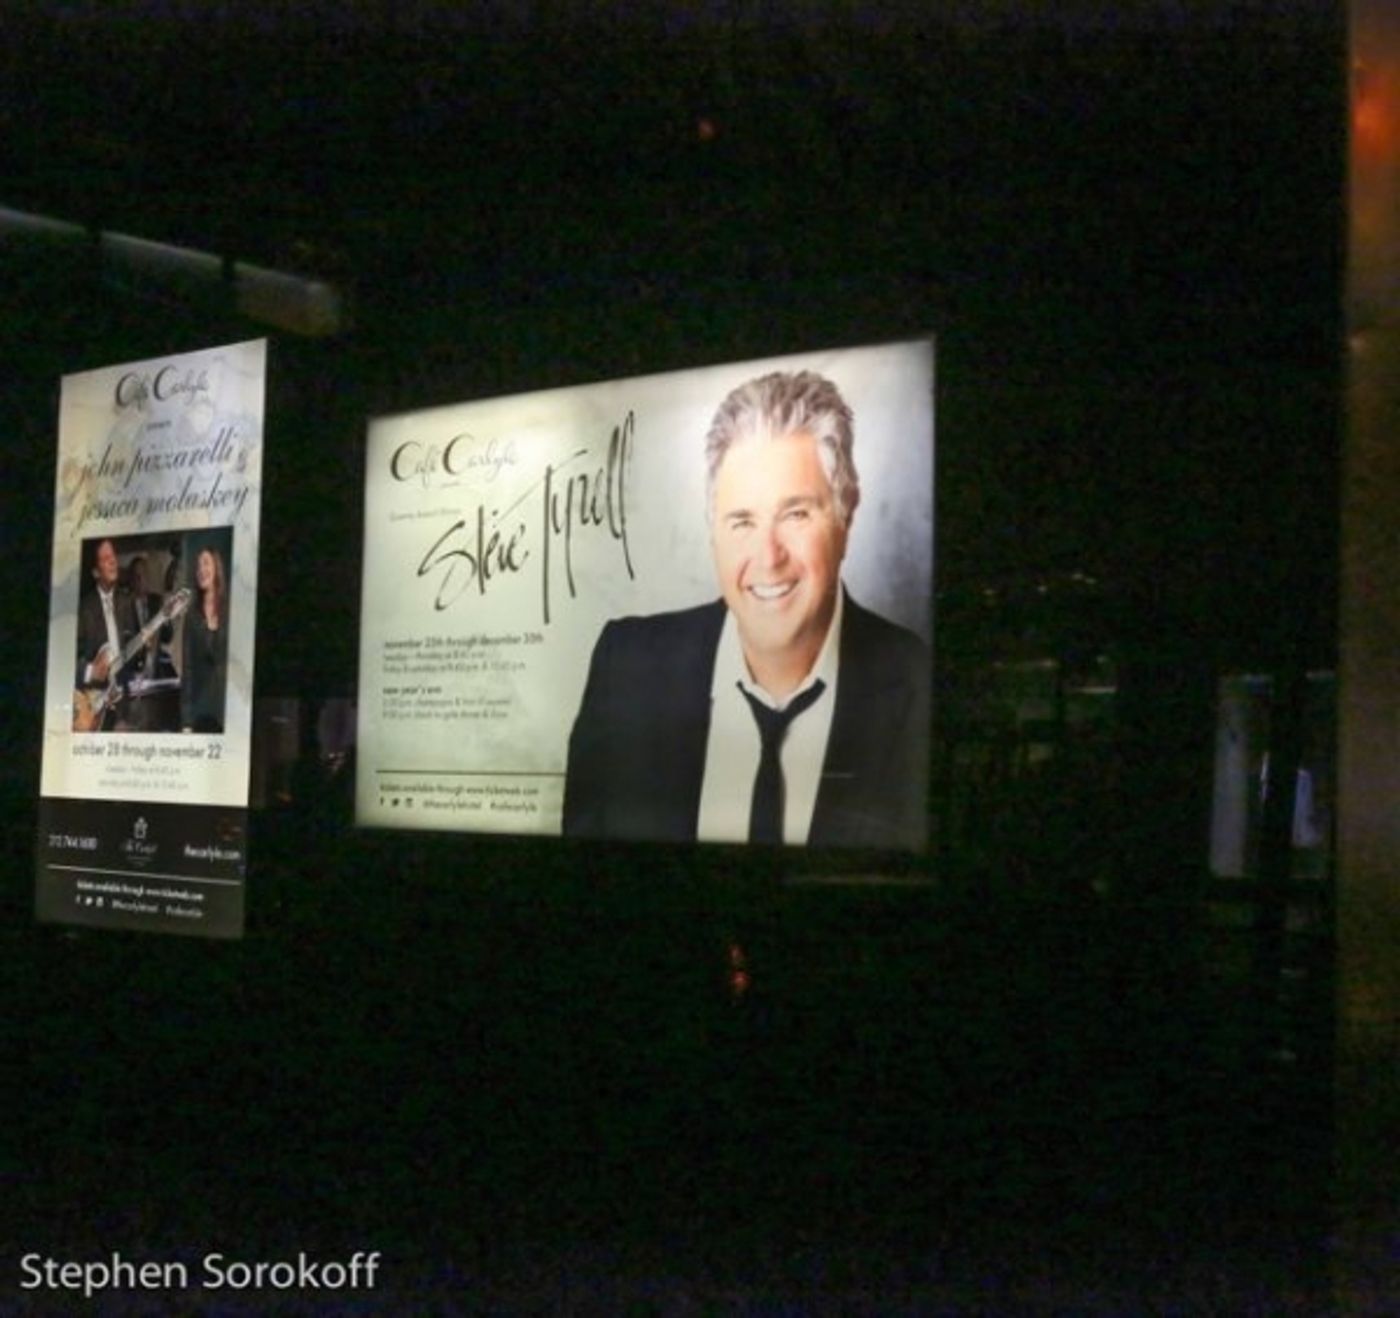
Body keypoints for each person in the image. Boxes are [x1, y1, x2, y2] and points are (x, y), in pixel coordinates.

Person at [563, 369, 929, 849]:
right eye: (742, 521)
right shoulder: (624, 667)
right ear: (713, 531)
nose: (768, 557)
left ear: (846, 517)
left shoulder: (919, 681)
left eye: (795, 514)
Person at [74, 538, 138, 731]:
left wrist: (144, 648)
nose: (113, 561)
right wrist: (90, 671)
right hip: (93, 707)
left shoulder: (127, 603)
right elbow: (65, 659)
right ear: (95, 572)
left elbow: (132, 656)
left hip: (123, 703)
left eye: (113, 556)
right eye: (105, 558)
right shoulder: (83, 609)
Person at [181, 547, 229, 734]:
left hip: (227, 710)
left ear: (217, 567)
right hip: (201, 712)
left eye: (206, 563)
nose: (201, 569)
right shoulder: (192, 616)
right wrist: (186, 721)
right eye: (198, 565)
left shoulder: (230, 609)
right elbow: (188, 670)